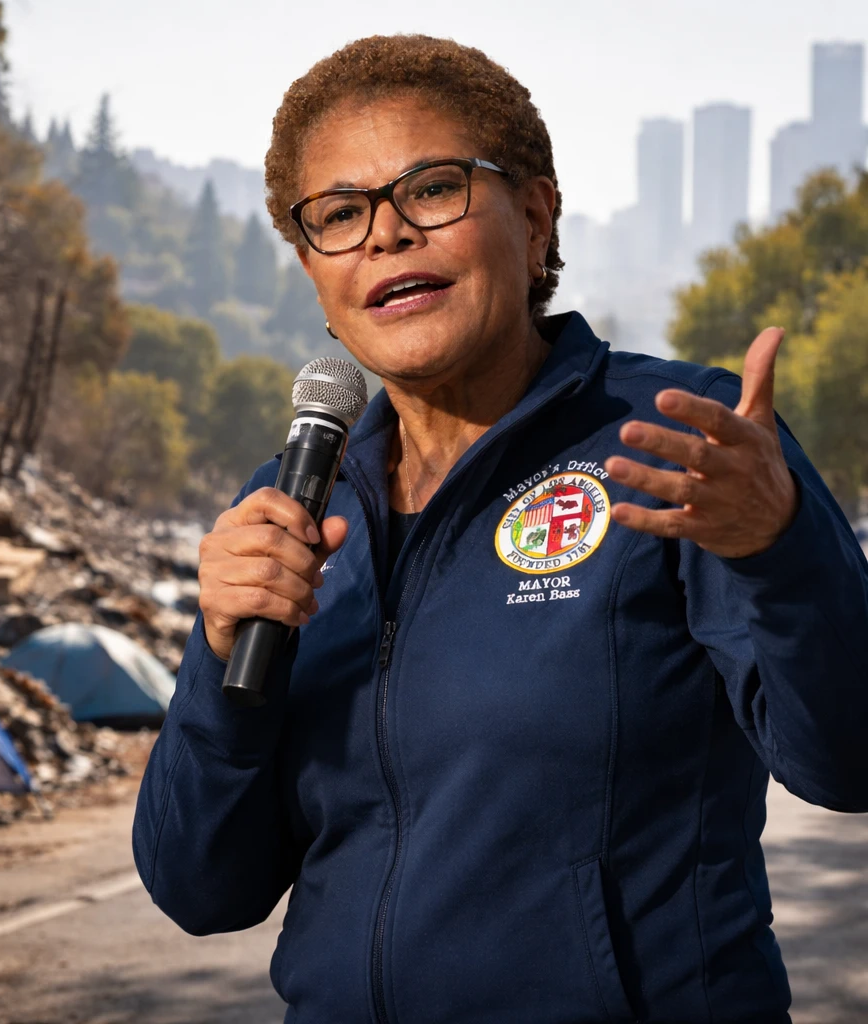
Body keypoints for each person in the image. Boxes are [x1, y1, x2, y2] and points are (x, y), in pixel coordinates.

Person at [133, 34, 868, 1024]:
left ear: (533, 214)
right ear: (313, 270)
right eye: (339, 215)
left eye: (431, 189)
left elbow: (847, 762)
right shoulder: (294, 507)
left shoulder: (683, 440)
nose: (386, 236)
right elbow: (199, 888)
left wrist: (779, 549)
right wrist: (219, 657)